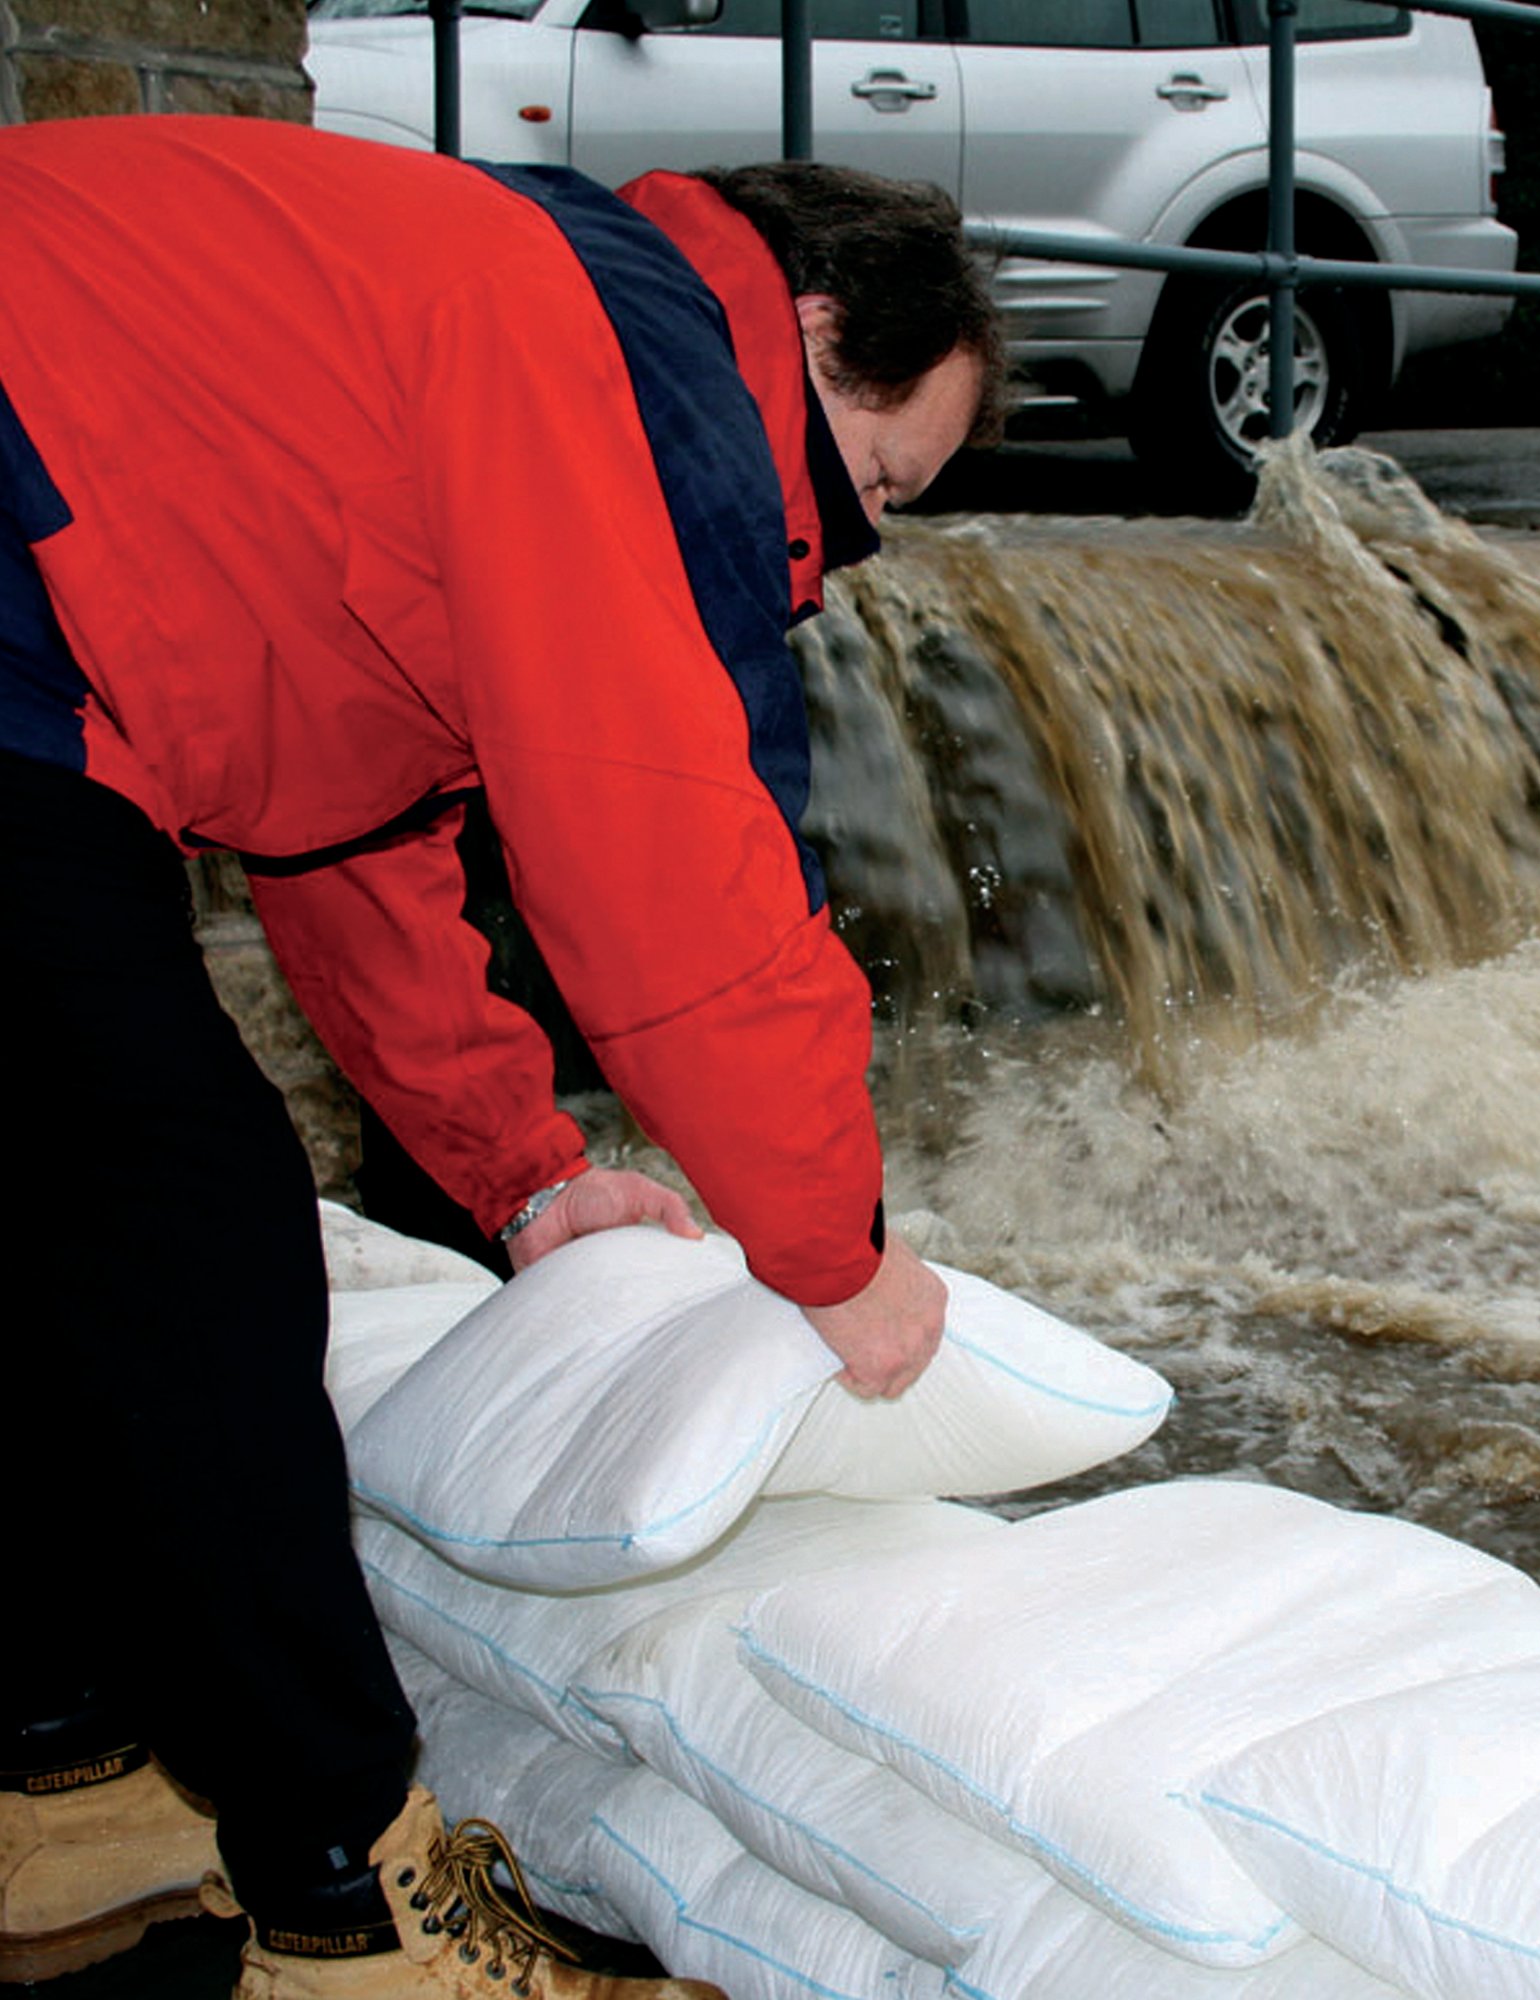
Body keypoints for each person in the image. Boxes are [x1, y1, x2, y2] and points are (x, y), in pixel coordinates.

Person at [0, 114, 1006, 1998]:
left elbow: (344, 834)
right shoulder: (629, 378)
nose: (839, 559)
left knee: (76, 1185)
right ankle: (347, 1904)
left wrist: (522, 1167)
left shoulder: (462, 332)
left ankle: (63, 1768)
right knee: (178, 1217)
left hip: (50, 622)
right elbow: (672, 853)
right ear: (795, 330)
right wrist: (837, 1252)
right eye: (874, 479)